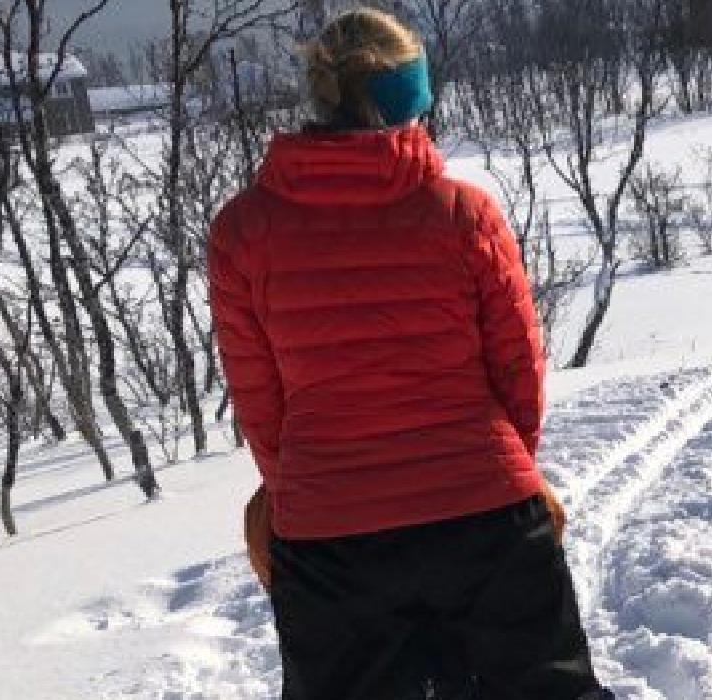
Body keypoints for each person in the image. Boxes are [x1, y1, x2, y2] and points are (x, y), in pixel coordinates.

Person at [211, 9, 608, 698]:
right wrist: (505, 465)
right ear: (414, 98)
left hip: (330, 537)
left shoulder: (243, 229)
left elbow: (261, 402)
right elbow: (519, 370)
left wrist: (302, 488)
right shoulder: (463, 213)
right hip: (485, 513)